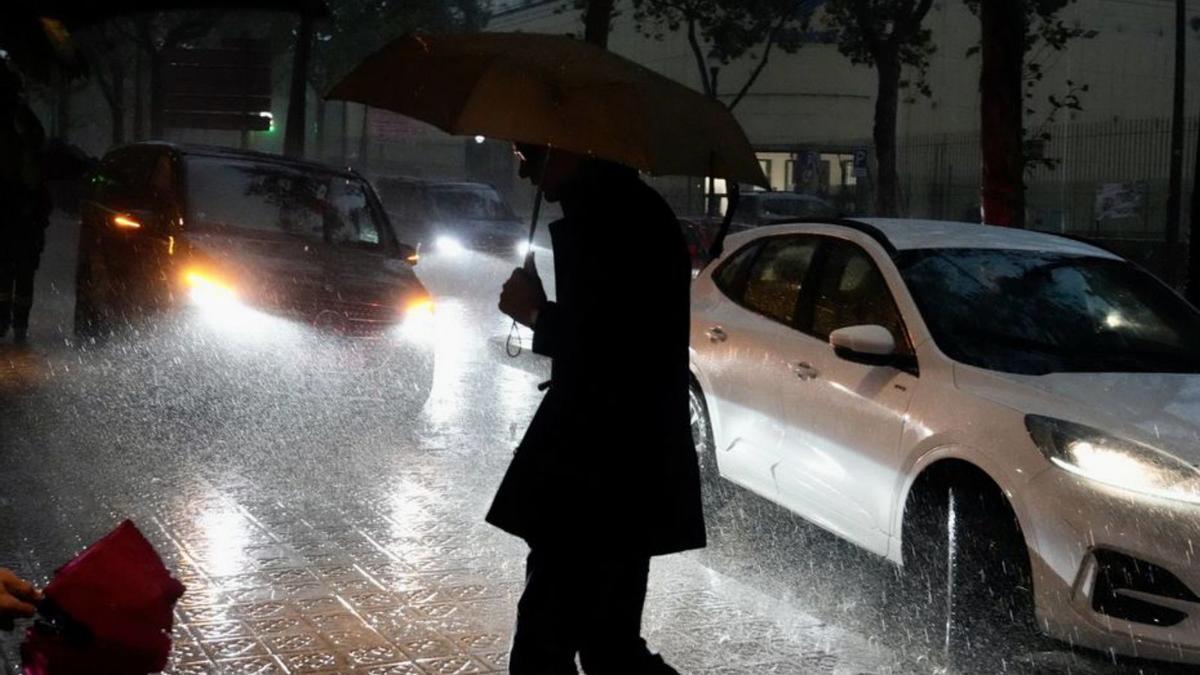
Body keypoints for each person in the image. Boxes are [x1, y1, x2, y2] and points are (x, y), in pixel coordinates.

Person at [489, 144, 706, 674]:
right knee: (607, 645)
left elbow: (617, 350)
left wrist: (537, 312)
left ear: (572, 150)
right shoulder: (619, 210)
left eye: (530, 152)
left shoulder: (615, 220)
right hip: (612, 470)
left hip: (601, 471)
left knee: (553, 646)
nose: (523, 169)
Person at [0, 59, 51, 345]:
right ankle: (17, 323)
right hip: (25, 207)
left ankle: (9, 321)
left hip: (20, 205)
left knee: (10, 268)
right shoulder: (22, 117)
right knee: (20, 269)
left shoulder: (18, 119)